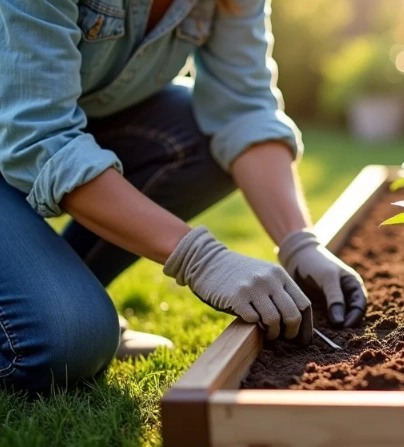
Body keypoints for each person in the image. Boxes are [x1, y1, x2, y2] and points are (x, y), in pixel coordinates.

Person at [0, 0, 368, 393]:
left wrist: (300, 243)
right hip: (25, 131)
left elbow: (243, 108)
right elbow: (41, 137)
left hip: (73, 122)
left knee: (202, 135)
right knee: (60, 347)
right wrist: (202, 259)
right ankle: (44, 314)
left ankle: (58, 297)